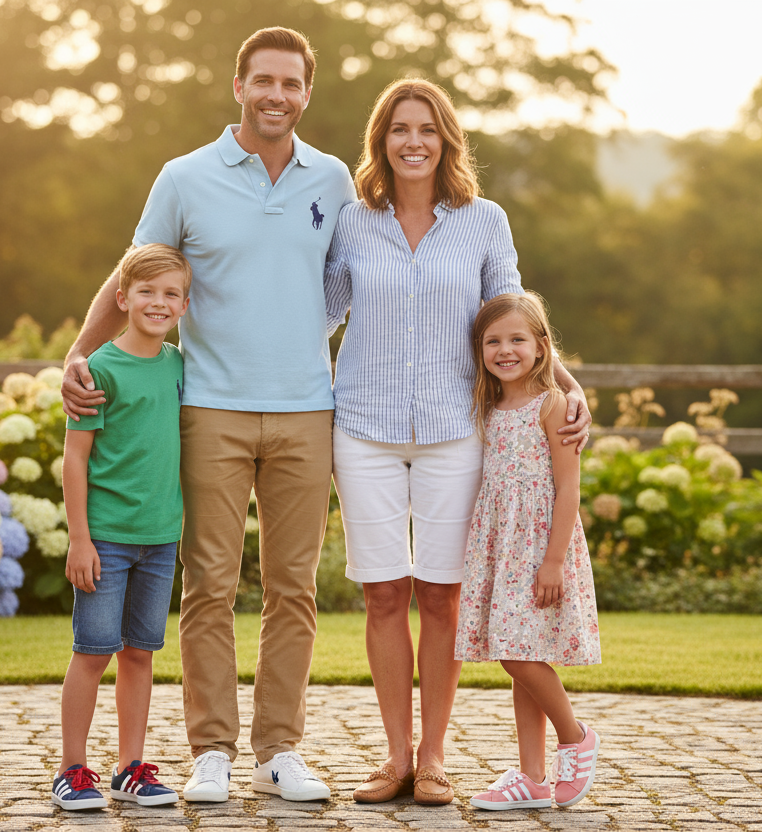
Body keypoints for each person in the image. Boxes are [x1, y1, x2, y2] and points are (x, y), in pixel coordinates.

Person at [60, 27, 356, 803]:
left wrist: (300, 333)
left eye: (291, 84)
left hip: (306, 410)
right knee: (210, 586)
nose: (276, 95)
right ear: (239, 85)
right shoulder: (185, 177)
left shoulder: (332, 180)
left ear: (307, 94)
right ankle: (212, 752)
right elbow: (132, 275)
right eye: (264, 80)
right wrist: (78, 354)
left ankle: (279, 750)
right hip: (211, 408)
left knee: (294, 588)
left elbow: (349, 283)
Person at [323, 79, 592, 805]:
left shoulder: (484, 221)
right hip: (363, 428)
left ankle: (435, 758)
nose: (414, 142)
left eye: (428, 129)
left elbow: (515, 312)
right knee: (383, 595)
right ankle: (394, 757)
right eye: (399, 129)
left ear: (447, 140)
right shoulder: (351, 222)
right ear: (381, 141)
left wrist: (568, 387)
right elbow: (315, 317)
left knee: (441, 598)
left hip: (453, 430)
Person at [52, 244, 190, 811]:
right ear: (122, 297)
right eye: (147, 292)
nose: (158, 303)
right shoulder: (98, 369)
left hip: (161, 539)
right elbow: (75, 458)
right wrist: (79, 538)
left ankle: (131, 768)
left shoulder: (181, 366)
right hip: (106, 538)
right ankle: (71, 769)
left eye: (171, 294)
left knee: (140, 651)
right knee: (93, 651)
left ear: (184, 304)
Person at [456, 292, 602, 811]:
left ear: (542, 348)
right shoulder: (487, 405)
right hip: (502, 546)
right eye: (493, 341)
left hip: (541, 546)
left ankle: (574, 737)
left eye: (517, 339)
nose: (505, 350)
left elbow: (568, 489)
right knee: (524, 652)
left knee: (517, 652)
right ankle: (533, 777)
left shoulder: (553, 405)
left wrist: (554, 560)